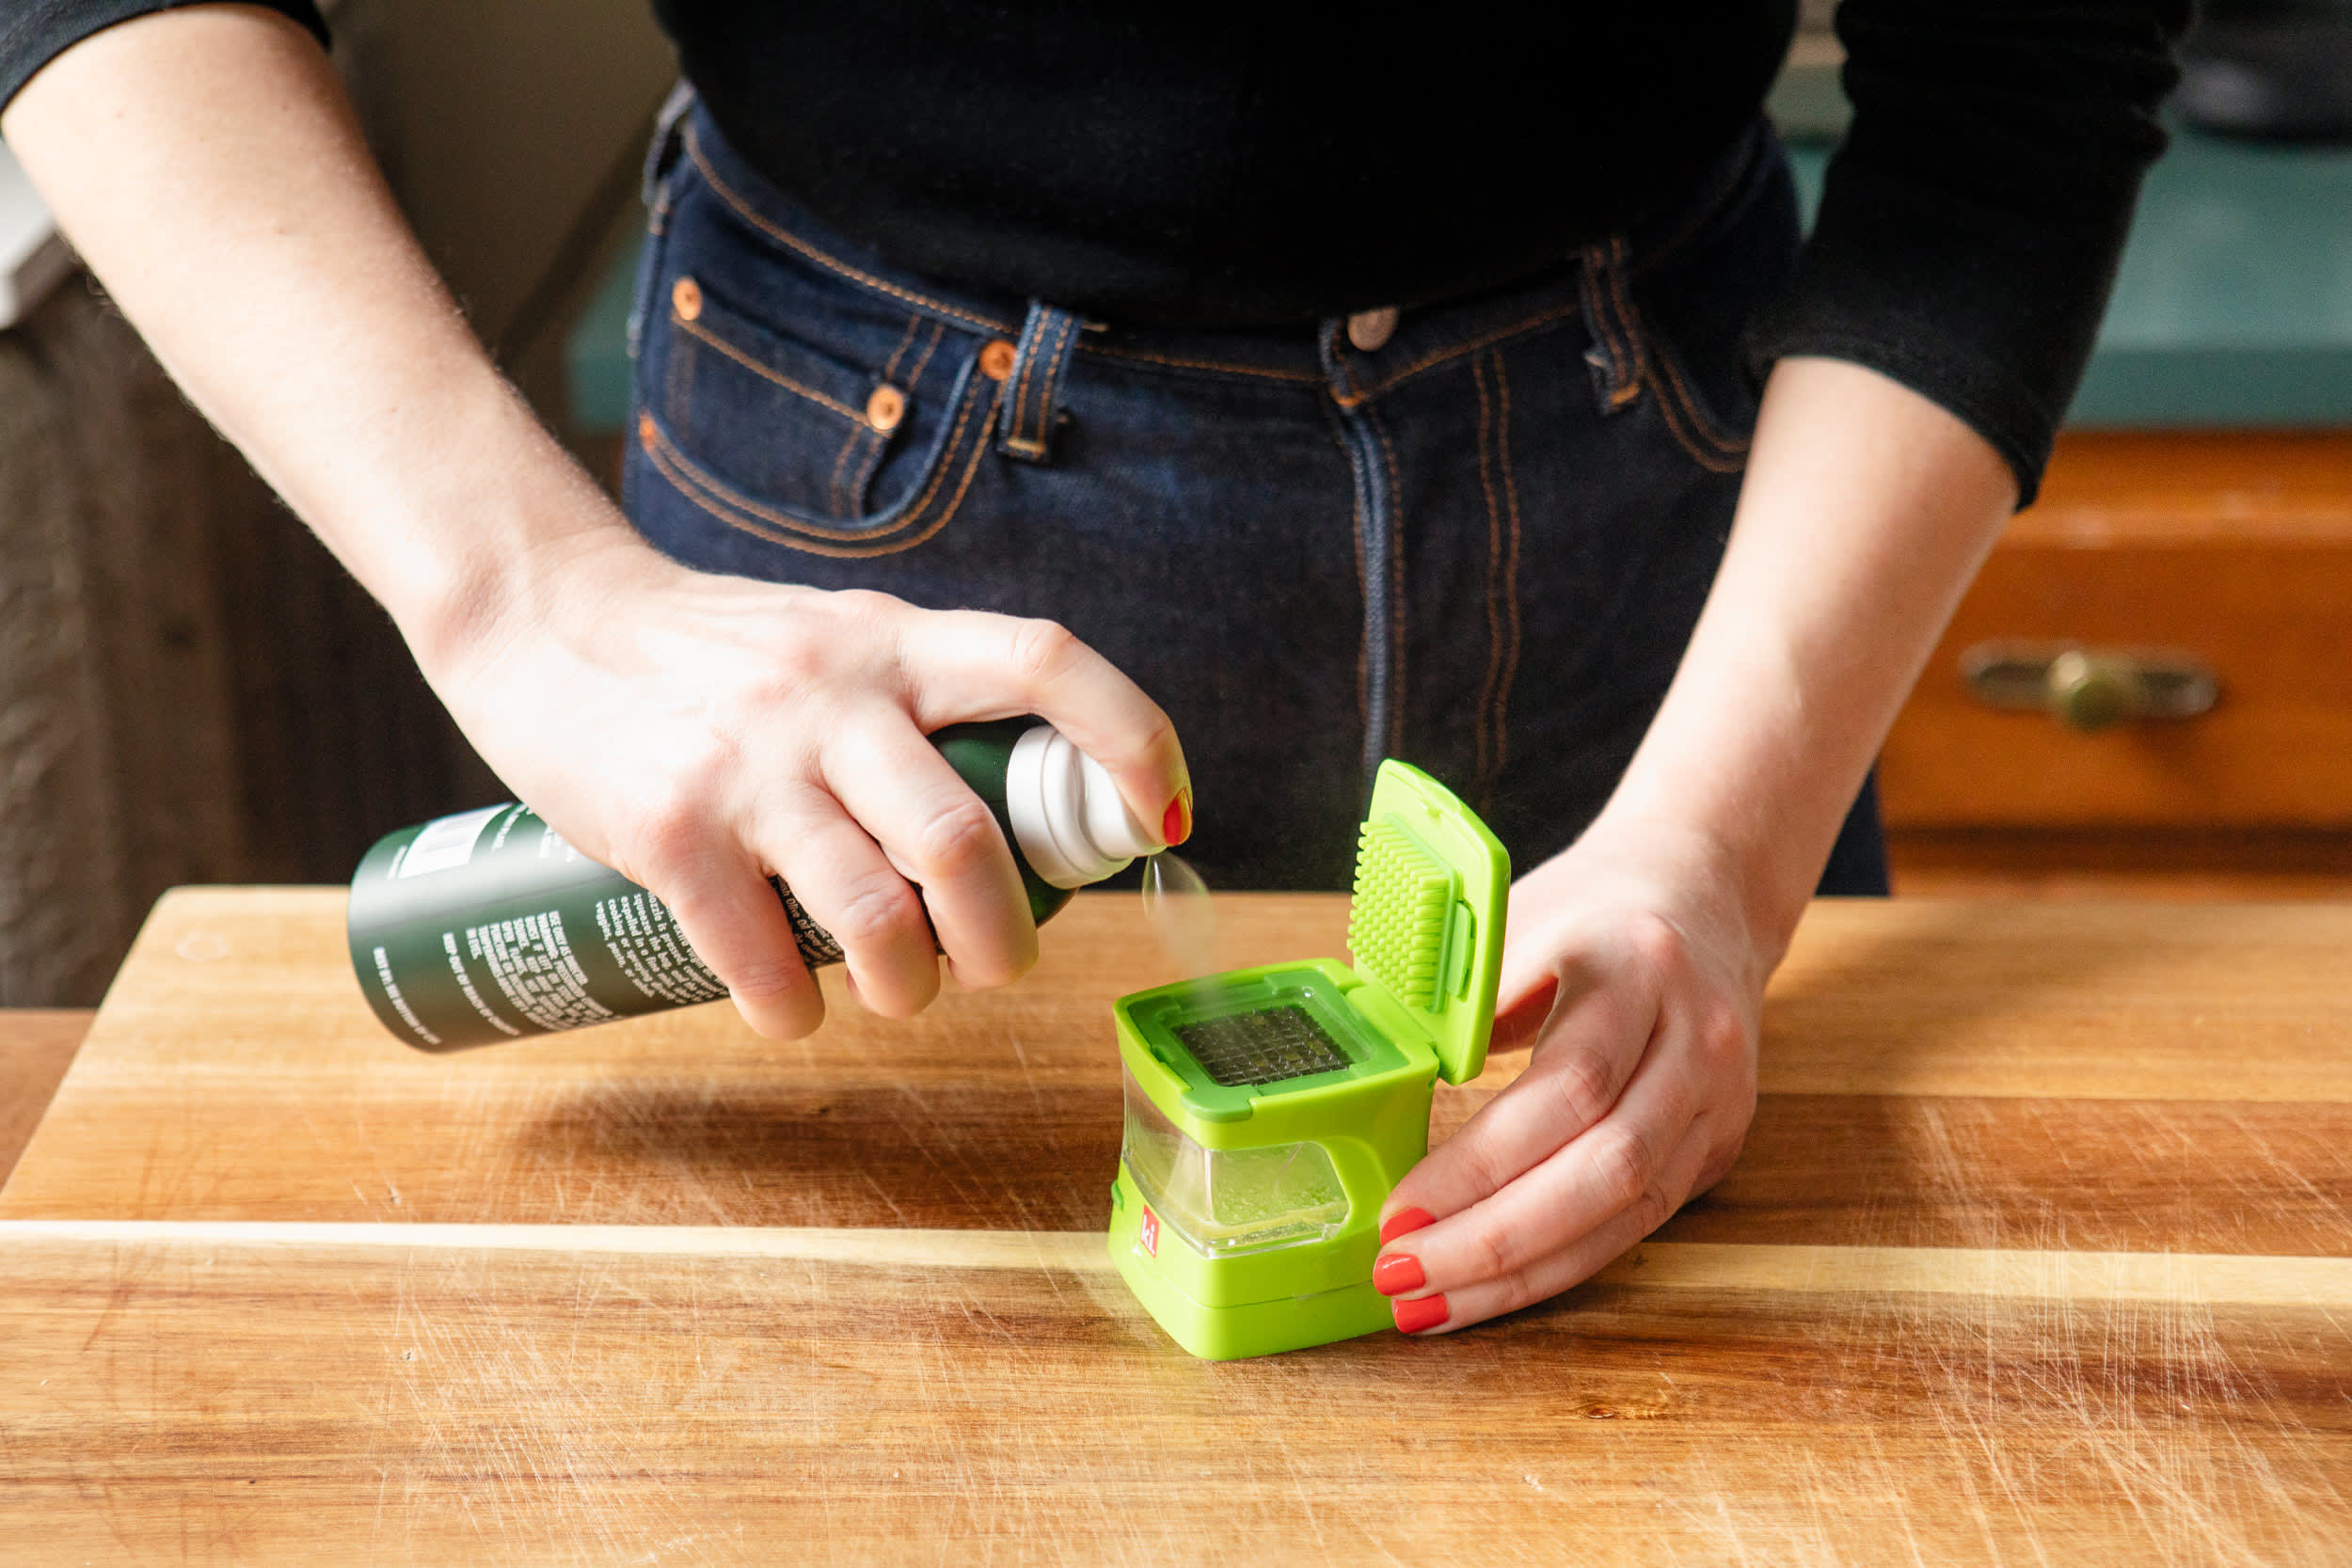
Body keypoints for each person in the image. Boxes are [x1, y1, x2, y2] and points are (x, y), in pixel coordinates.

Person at [0, 1, 2185, 1338]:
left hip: (1696, 536)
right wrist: (516, 595)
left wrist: (1717, 850)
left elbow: (2020, 81)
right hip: (852, 517)